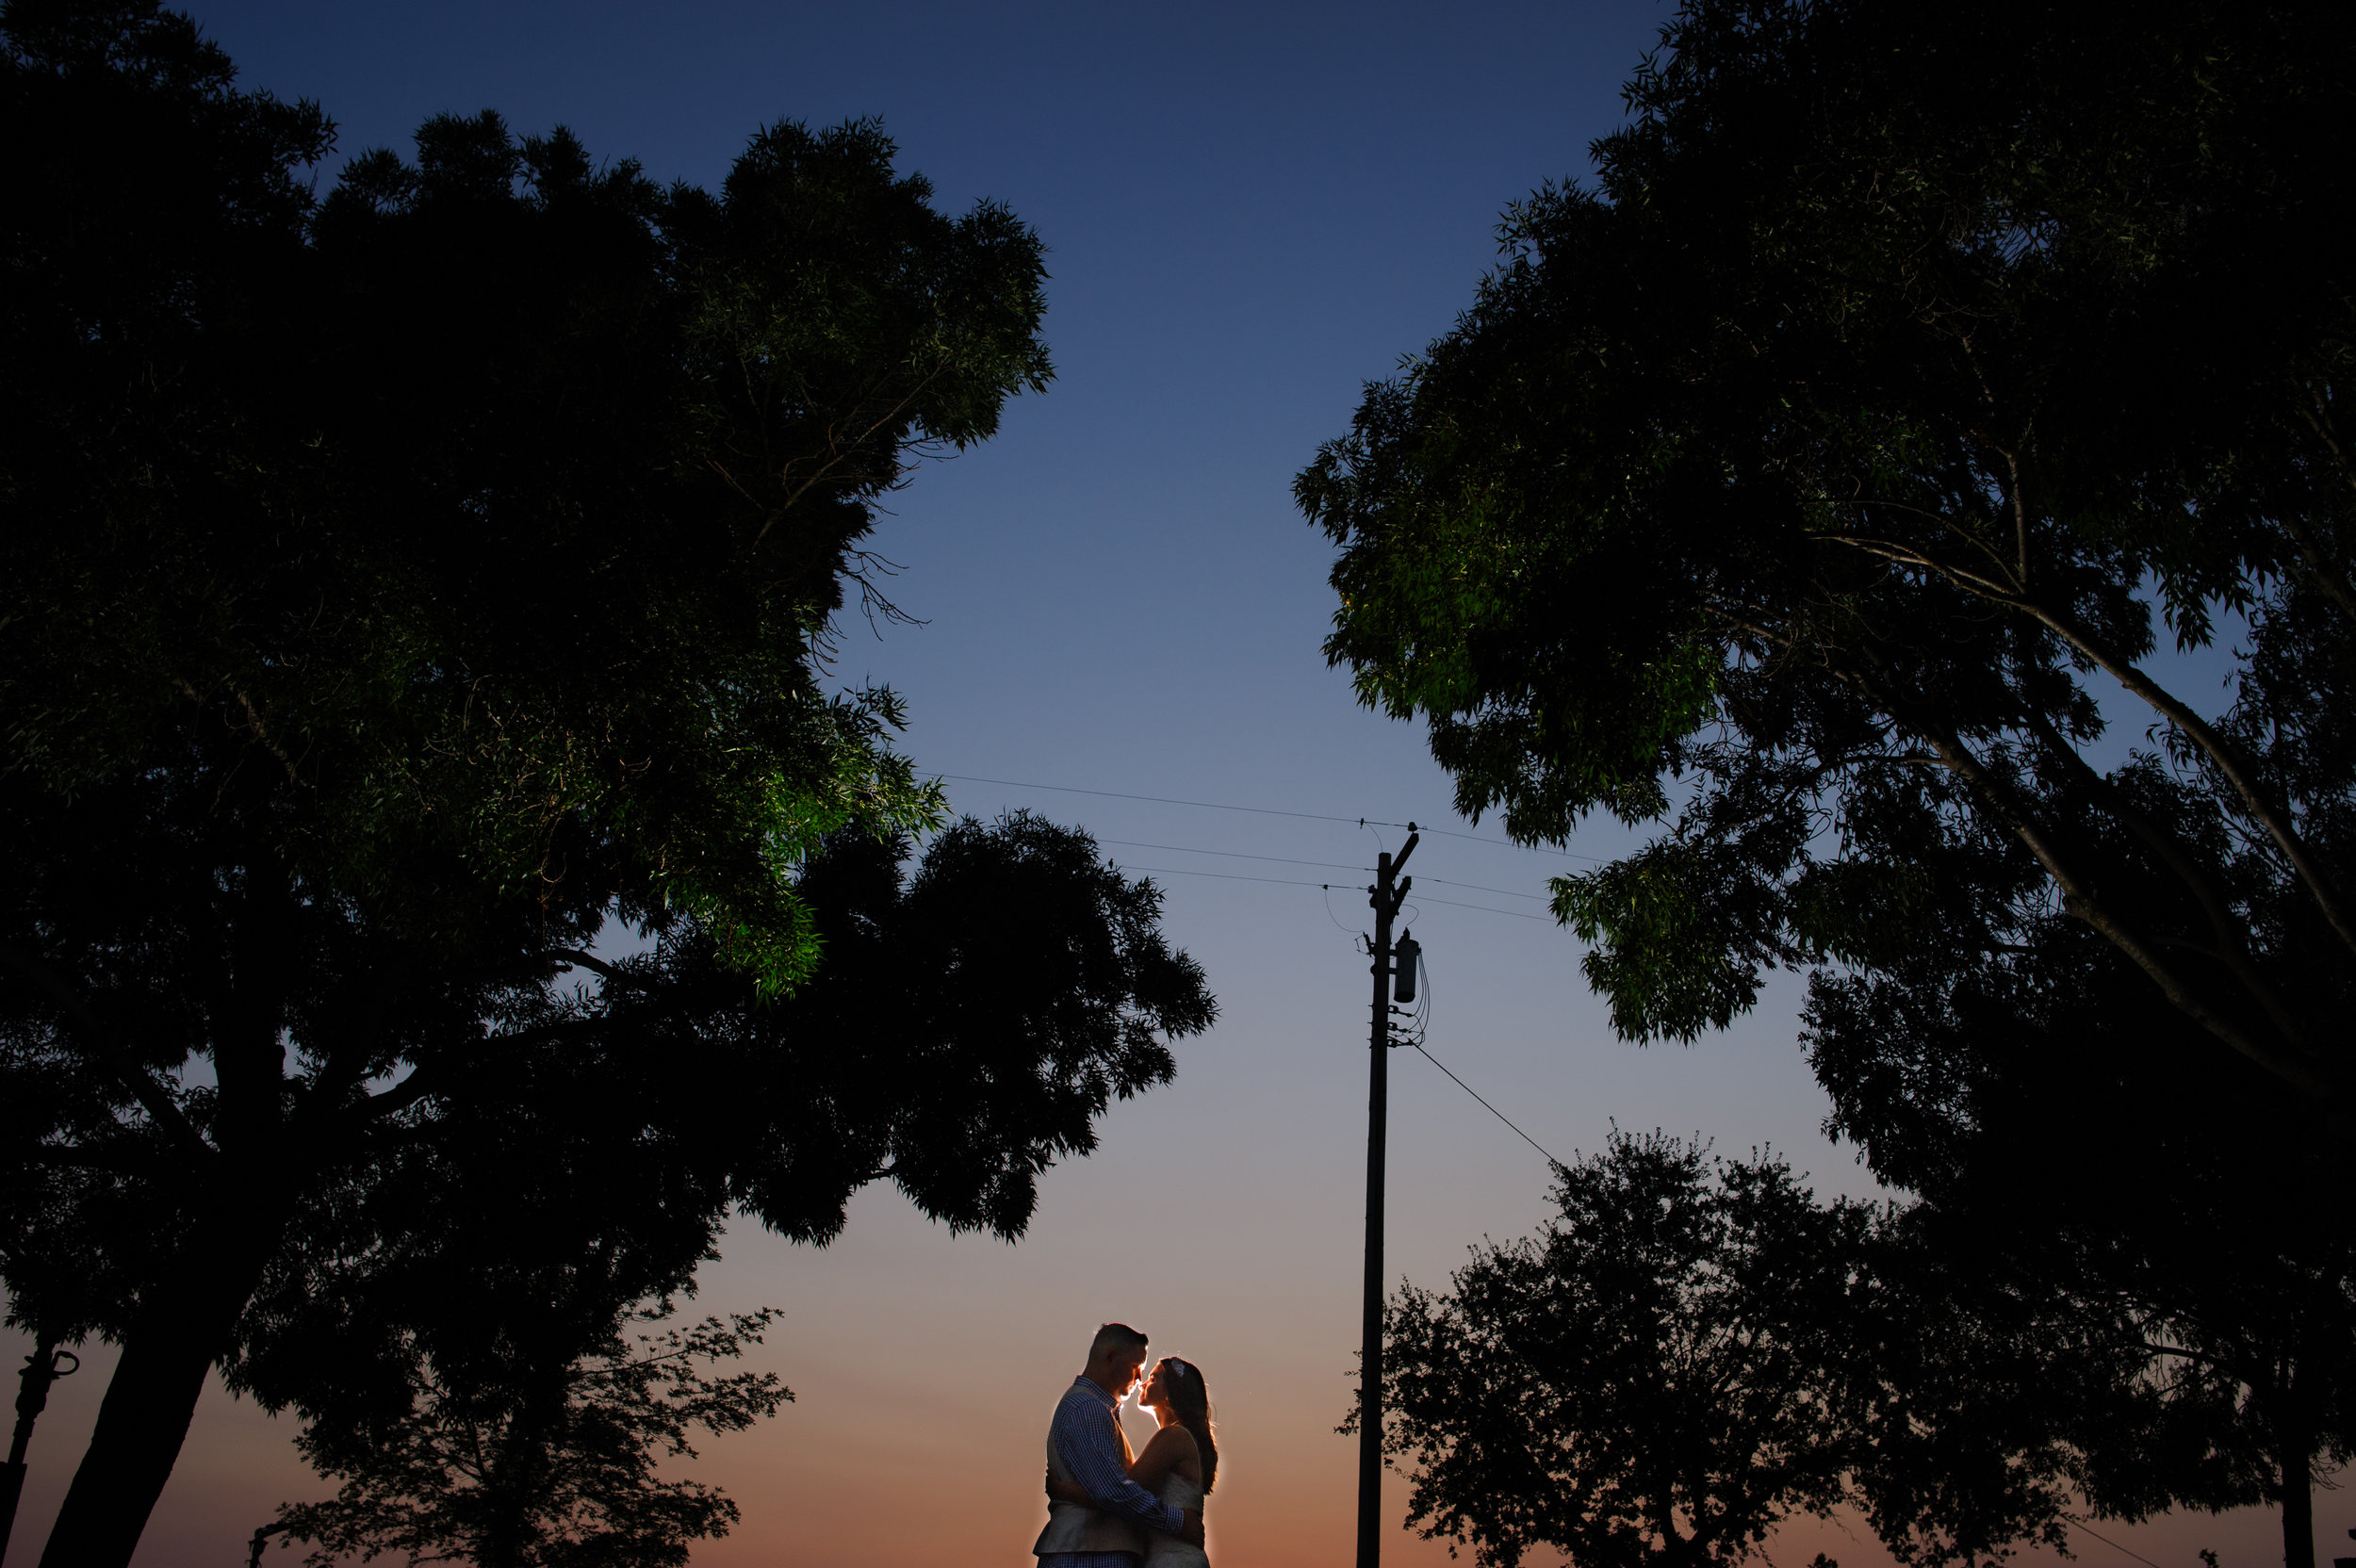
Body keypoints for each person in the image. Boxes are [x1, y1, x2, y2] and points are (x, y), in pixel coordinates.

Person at [1036, 1324, 1206, 1568]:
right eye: (1136, 1366)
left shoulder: (1099, 1411)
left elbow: (1116, 1488)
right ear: (1111, 1357)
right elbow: (1112, 1491)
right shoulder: (1089, 1409)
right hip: (1089, 1555)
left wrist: (1064, 1490)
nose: (1139, 1379)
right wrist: (1178, 1522)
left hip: (1095, 1552)